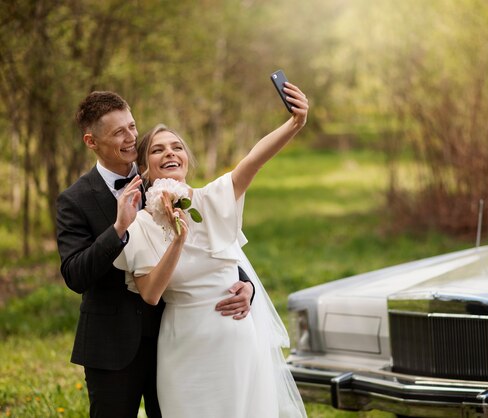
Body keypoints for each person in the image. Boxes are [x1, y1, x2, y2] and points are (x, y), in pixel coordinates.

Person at [113, 81, 309, 417]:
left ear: (186, 159)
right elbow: (150, 294)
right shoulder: (140, 224)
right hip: (184, 347)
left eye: (177, 147)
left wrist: (295, 123)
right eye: (158, 150)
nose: (170, 153)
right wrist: (177, 239)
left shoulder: (212, 199)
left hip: (235, 341)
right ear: (144, 167)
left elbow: (254, 160)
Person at [56, 91, 254, 418]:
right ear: (91, 141)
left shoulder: (162, 176)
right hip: (112, 346)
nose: (131, 137)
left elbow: (205, 241)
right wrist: (118, 228)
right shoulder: (75, 200)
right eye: (118, 132)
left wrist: (246, 284)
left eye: (132, 126)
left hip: (174, 338)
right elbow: (75, 275)